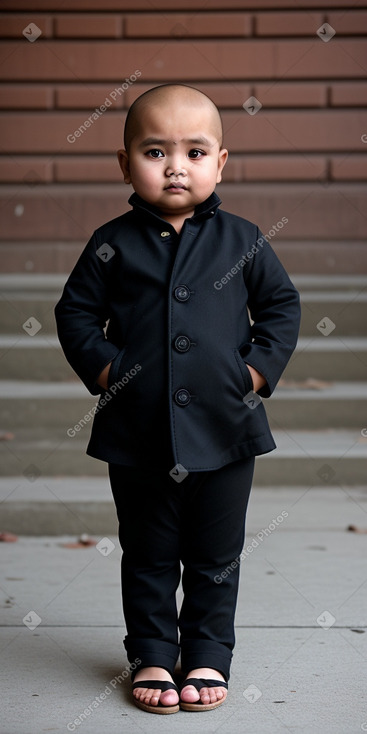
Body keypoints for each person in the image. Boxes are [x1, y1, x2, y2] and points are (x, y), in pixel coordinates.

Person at [55, 83, 301, 715]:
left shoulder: (242, 239)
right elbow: (75, 312)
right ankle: (154, 656)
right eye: (155, 151)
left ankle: (209, 657)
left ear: (220, 162)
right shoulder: (112, 242)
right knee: (148, 551)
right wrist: (108, 372)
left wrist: (254, 374)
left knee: (216, 555)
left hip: (225, 427)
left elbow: (281, 307)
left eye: (194, 152)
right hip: (138, 432)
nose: (174, 167)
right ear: (124, 163)